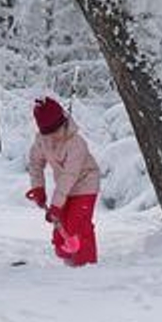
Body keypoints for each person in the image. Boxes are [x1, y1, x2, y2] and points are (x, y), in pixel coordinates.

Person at [24, 96, 100, 266]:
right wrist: (38, 188)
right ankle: (67, 271)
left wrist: (56, 205)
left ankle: (87, 267)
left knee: (76, 228)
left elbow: (69, 175)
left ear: (62, 123)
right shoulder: (43, 140)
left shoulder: (76, 143)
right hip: (65, 188)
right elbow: (35, 163)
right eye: (47, 133)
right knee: (60, 237)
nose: (53, 137)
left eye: (55, 131)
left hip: (85, 183)